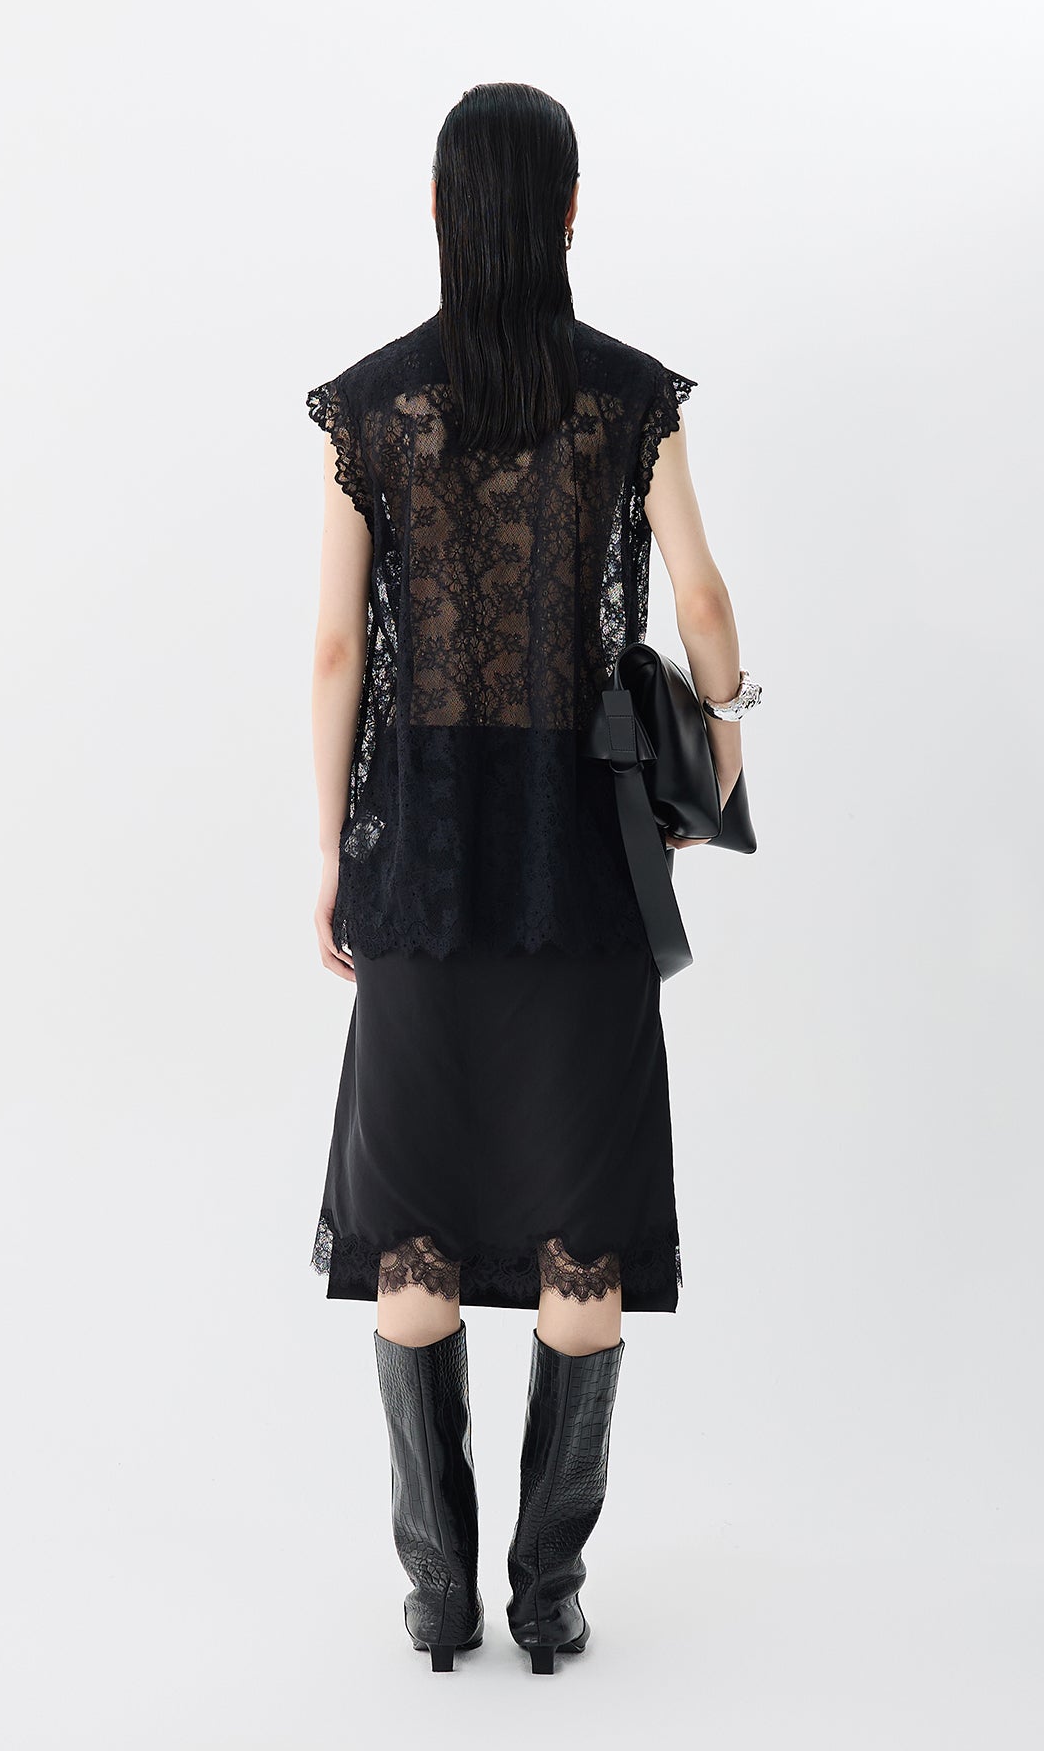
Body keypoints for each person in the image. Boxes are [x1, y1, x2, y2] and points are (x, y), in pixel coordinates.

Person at [304, 82, 750, 1675]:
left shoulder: (374, 408)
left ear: (441, 210)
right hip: (583, 856)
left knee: (411, 1236)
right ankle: (548, 1597)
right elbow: (702, 599)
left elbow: (339, 650)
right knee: (585, 1236)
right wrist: (723, 750)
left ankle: (438, 1597)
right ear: (569, 213)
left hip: (420, 854)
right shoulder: (631, 399)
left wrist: (333, 853)